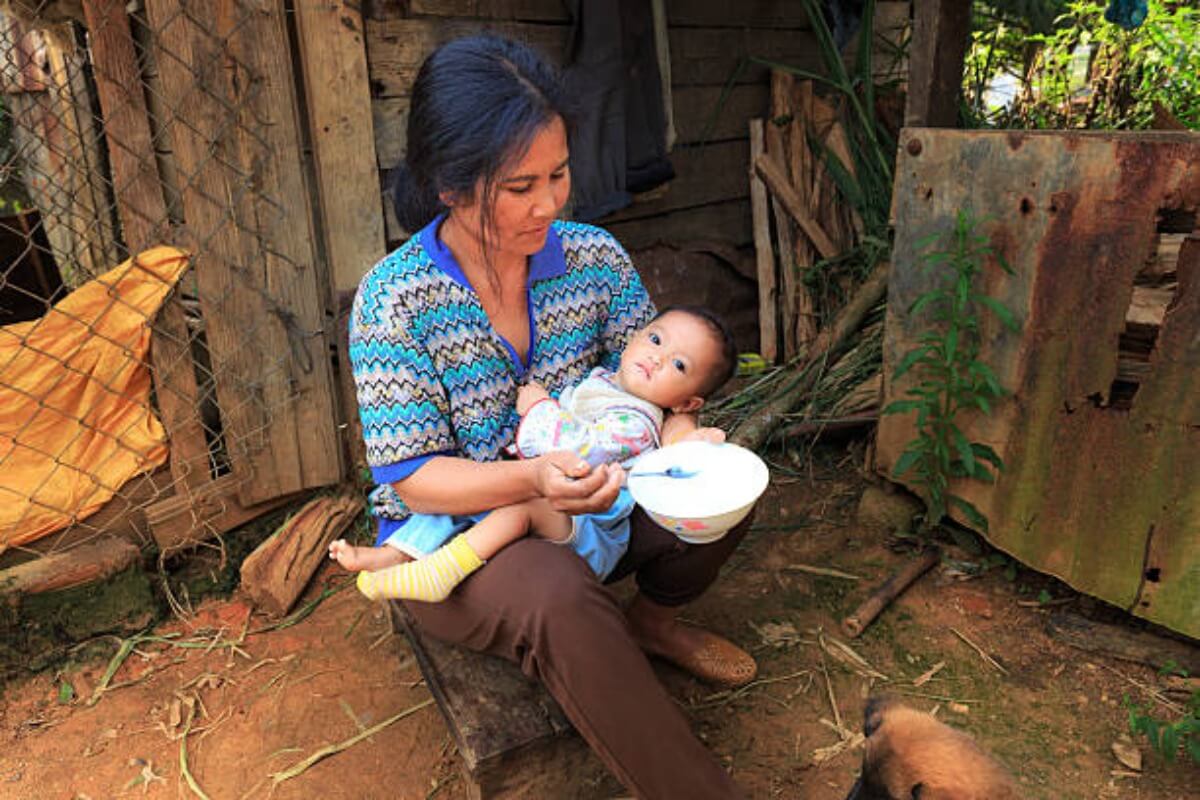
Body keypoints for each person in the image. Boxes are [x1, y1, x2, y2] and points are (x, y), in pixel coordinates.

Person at [348, 34, 755, 799]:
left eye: (559, 174)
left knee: (724, 489)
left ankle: (652, 622)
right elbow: (416, 481)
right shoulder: (393, 299)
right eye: (518, 186)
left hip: (598, 507)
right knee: (558, 596)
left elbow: (657, 388)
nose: (550, 202)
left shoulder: (595, 260)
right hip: (464, 543)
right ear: (449, 183)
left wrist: (683, 442)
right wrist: (533, 477)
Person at [330, 305, 738, 602]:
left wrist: (540, 407)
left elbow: (577, 452)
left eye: (679, 365)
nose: (657, 357)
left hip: (591, 529)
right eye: (655, 339)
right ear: (634, 336)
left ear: (687, 404)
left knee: (518, 505)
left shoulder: (637, 424)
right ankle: (394, 555)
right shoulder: (604, 382)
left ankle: (439, 573)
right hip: (559, 501)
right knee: (470, 488)